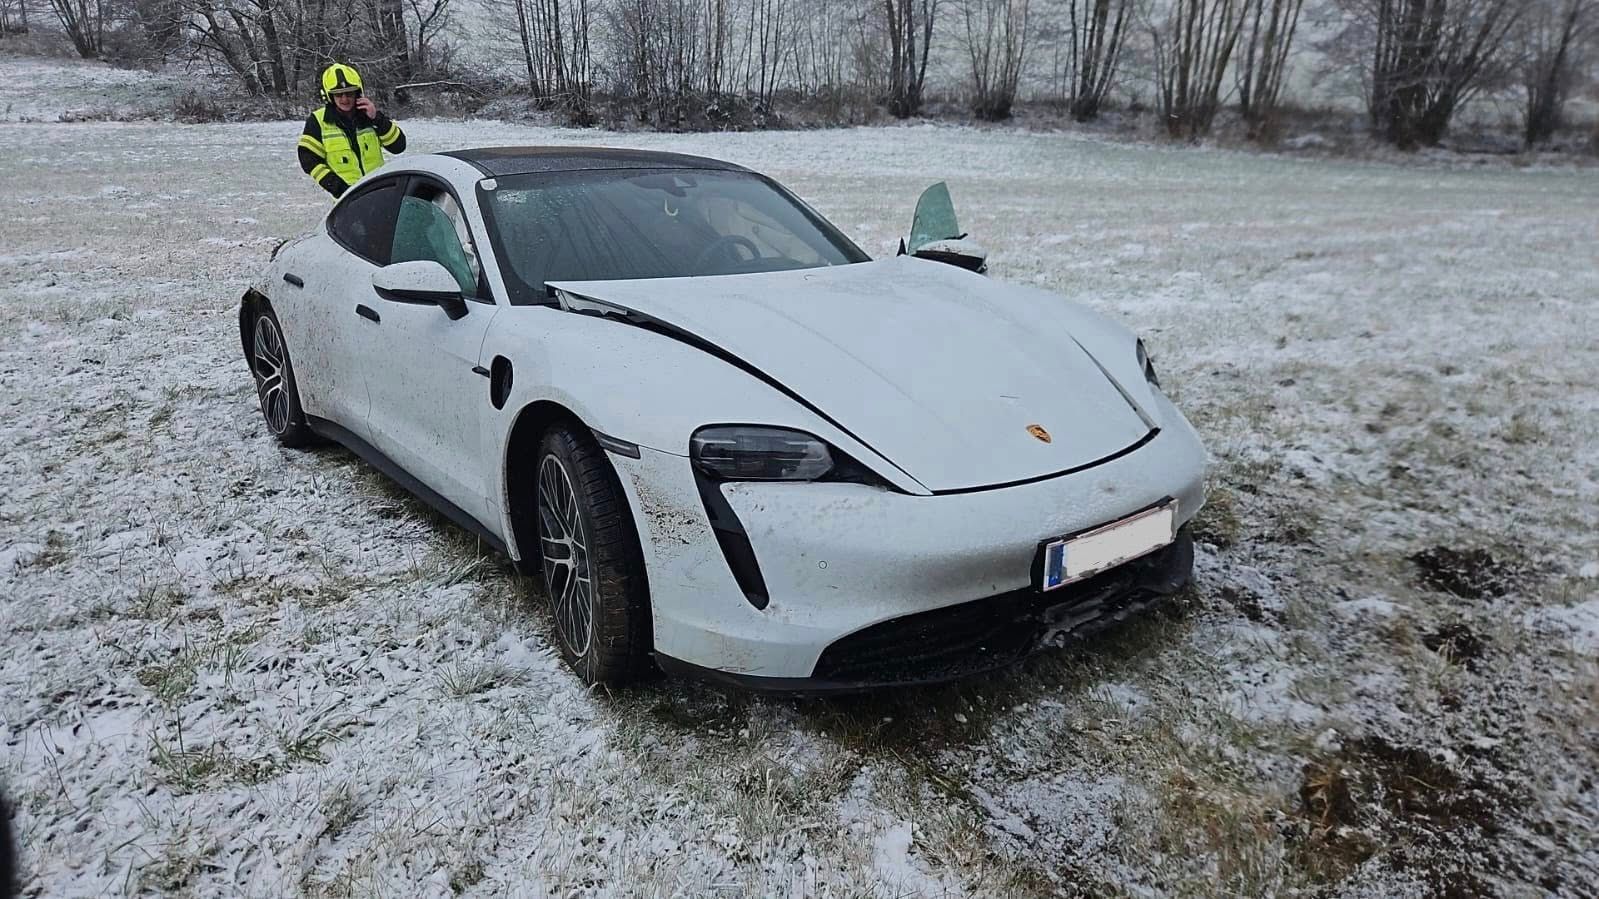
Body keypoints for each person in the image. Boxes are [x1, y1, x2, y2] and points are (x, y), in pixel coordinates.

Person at [297, 63, 407, 199]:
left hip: (379, 192)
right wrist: (339, 188)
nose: (344, 99)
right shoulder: (318, 121)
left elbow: (399, 146)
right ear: (329, 96)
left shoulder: (369, 115)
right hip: (347, 200)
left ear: (357, 93)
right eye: (338, 95)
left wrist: (377, 119)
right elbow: (308, 160)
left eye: (349, 93)